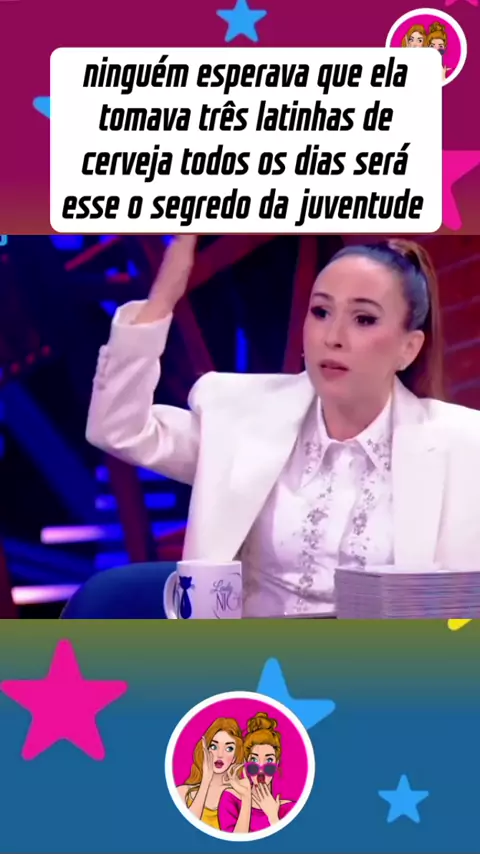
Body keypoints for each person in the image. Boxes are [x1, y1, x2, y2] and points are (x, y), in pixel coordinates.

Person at [86, 236, 480, 618]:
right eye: (321, 312)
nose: (333, 337)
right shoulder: (240, 417)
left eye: (364, 319)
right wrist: (160, 303)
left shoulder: (463, 446)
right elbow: (118, 428)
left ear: (408, 348)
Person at [218, 712, 294, 833]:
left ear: (277, 763)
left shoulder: (289, 808)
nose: (261, 768)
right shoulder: (230, 799)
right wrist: (246, 798)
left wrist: (273, 817)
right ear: (246, 762)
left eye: (269, 760)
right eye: (254, 760)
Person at [176, 717, 244, 830]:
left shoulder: (240, 798)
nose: (220, 754)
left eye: (229, 748)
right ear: (205, 750)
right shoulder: (182, 793)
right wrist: (205, 781)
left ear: (235, 757)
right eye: (214, 746)